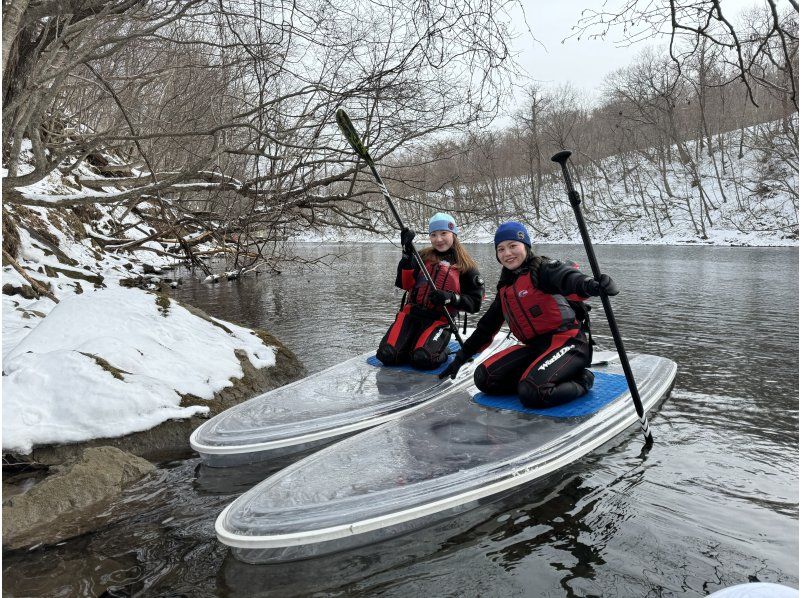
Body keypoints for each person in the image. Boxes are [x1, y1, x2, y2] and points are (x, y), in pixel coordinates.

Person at [439, 221, 619, 408]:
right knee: (484, 378)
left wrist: (592, 285)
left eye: (512, 246)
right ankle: (536, 376)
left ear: (525, 246)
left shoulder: (544, 270)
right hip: (534, 348)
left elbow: (569, 279)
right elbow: (486, 328)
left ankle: (582, 379)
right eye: (500, 249)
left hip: (568, 342)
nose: (507, 253)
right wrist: (460, 358)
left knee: (533, 392)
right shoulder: (505, 288)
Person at [376, 213, 484, 370]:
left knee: (422, 359)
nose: (438, 239)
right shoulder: (421, 257)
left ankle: (443, 350)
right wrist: (406, 255)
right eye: (433, 235)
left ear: (453, 234)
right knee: (387, 355)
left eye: (443, 233)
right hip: (411, 315)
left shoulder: (466, 266)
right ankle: (408, 346)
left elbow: (475, 303)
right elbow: (404, 284)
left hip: (439, 320)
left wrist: (451, 298)